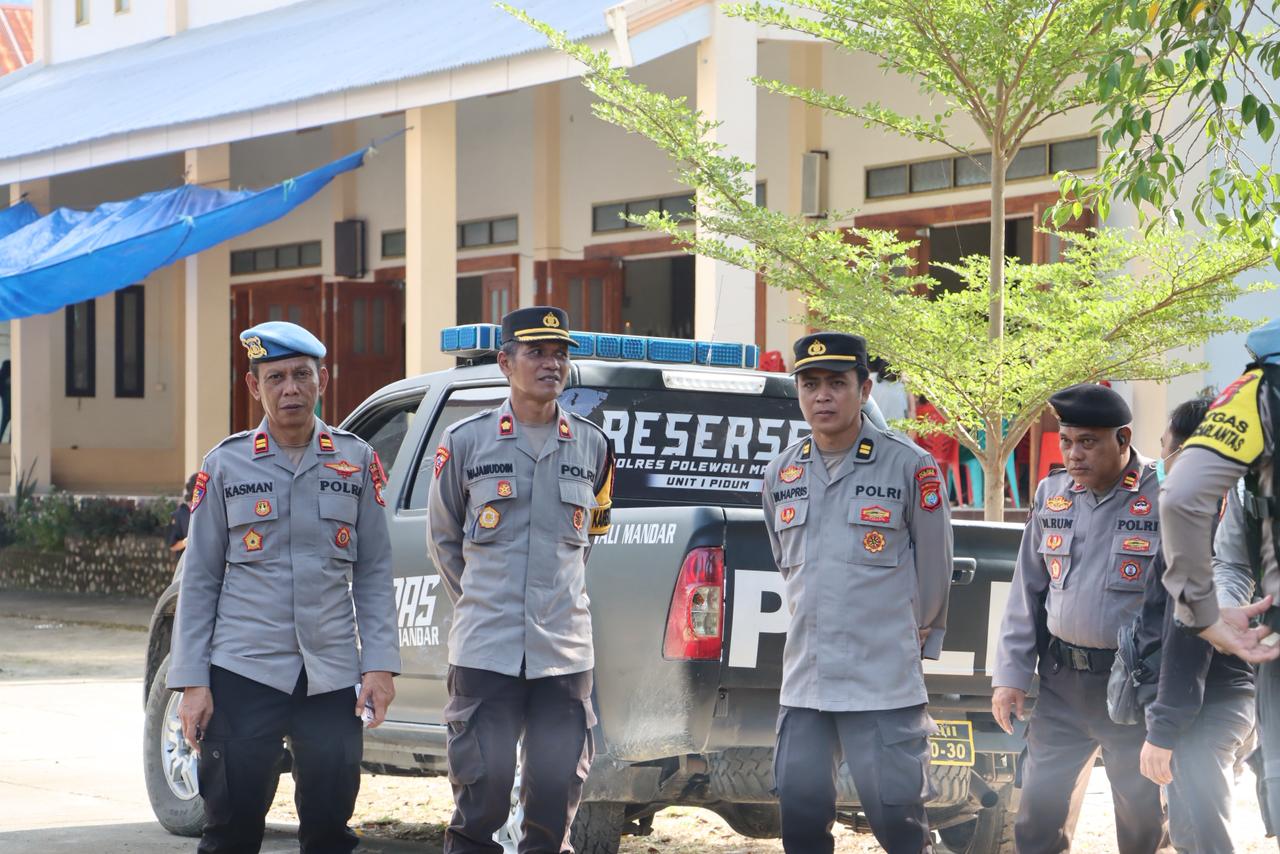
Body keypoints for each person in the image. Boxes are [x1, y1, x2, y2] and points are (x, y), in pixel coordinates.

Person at [167, 321, 400, 853]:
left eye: (301, 375)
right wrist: (192, 682)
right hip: (244, 671)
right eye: (275, 378)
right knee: (230, 831)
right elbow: (200, 579)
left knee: (330, 830)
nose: (290, 388)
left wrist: (379, 666)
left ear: (323, 379)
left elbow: (373, 573)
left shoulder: (356, 460)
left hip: (331, 675)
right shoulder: (225, 464)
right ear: (255, 386)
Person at [426, 306, 614, 854]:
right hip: (486, 651)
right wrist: (488, 603)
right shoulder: (466, 441)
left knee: (554, 804)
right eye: (536, 352)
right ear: (506, 362)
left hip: (564, 656)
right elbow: (444, 542)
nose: (551, 363)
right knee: (480, 800)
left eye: (559, 353)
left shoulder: (594, 446)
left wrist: (550, 601)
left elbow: (587, 544)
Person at [760, 332, 953, 854]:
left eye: (836, 383)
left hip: (882, 684)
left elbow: (935, 568)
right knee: (800, 827)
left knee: (900, 827)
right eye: (810, 384)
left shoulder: (910, 466)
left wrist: (914, 634)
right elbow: (786, 562)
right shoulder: (781, 472)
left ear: (865, 388)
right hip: (805, 685)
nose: (822, 395)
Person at [991, 382, 1170, 853]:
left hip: (1134, 684)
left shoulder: (1164, 492)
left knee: (1142, 821)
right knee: (1037, 818)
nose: (1073, 454)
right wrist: (1009, 677)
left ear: (1123, 438)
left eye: (1088, 442)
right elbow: (1027, 591)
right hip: (1061, 685)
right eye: (1066, 441)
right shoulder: (1052, 493)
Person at [1160, 317, 1280, 831]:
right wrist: (1223, 606)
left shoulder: (1260, 390)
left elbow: (1181, 497)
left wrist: (1204, 615)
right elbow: (1233, 559)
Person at [1130, 398, 1254, 854]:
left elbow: (1187, 634)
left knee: (1201, 840)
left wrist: (1164, 729)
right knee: (1192, 836)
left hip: (1205, 707)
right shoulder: (1228, 509)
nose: (1159, 461)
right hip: (1222, 700)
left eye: (1165, 448)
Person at [166, 472, 199, 560]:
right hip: (187, 562)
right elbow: (172, 545)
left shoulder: (210, 512)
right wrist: (186, 541)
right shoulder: (179, 514)